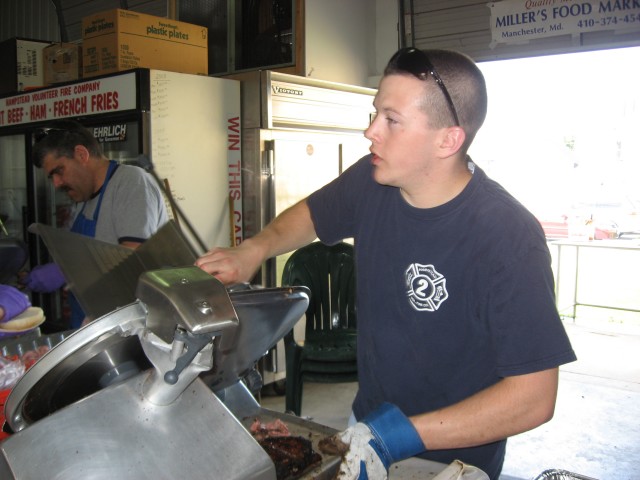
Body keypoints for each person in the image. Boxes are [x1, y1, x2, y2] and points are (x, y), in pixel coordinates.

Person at [195, 47, 577, 479]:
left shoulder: (507, 237)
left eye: (391, 120)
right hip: (369, 427)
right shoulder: (372, 180)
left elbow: (534, 397)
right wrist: (256, 249)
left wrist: (399, 435)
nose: (370, 131)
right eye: (375, 113)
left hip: (452, 456)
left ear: (447, 139)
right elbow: (314, 214)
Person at [24, 120, 169, 328]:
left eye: (59, 171)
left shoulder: (130, 182)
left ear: (82, 155)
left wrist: (65, 271)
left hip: (131, 325)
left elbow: (132, 257)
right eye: (51, 177)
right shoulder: (83, 201)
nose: (56, 183)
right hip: (92, 321)